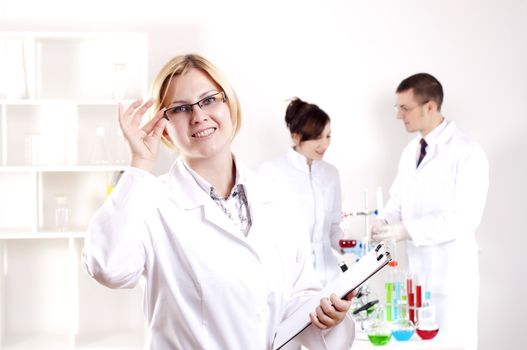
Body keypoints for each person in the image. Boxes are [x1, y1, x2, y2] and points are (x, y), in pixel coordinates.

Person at [82, 54, 355, 350]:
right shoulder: (152, 202)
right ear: (163, 124)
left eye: (209, 100)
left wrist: (327, 316)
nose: (198, 116)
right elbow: (108, 268)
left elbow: (296, 300)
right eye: (181, 108)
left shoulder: (278, 200)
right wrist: (139, 164)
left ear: (229, 104)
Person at [371, 73, 489, 350]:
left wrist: (405, 230)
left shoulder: (467, 152)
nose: (399, 115)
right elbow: (397, 200)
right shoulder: (411, 150)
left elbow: (465, 218)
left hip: (451, 280)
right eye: (397, 108)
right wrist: (382, 221)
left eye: (405, 108)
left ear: (430, 107)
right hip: (418, 277)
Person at [259, 98, 345, 287]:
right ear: (296, 137)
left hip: (330, 277)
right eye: (317, 137)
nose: (325, 144)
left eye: (328, 136)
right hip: (291, 279)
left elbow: (333, 229)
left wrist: (354, 247)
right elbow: (264, 234)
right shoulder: (271, 173)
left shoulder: (331, 174)